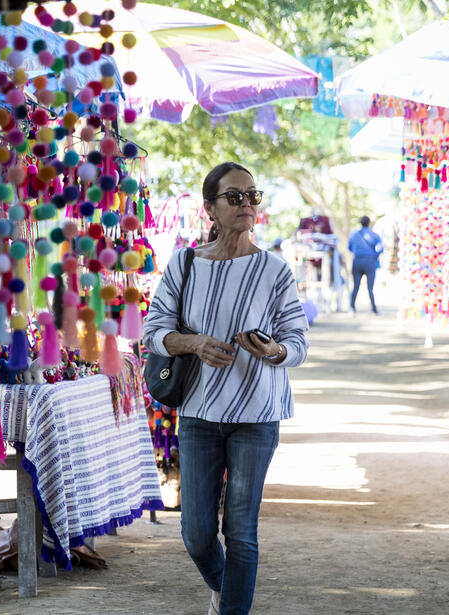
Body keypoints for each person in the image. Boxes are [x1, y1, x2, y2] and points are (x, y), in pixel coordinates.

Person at [143, 162, 310, 615]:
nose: (246, 205)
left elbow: (298, 343)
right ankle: (225, 589)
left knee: (240, 529)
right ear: (210, 208)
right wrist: (194, 343)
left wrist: (272, 349)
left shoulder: (275, 270)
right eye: (234, 197)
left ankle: (232, 608)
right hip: (198, 411)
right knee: (196, 532)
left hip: (257, 414)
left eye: (252, 196)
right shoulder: (186, 263)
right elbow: (153, 329)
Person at [347, 215, 384, 314]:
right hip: (370, 262)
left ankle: (352, 308)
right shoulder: (374, 235)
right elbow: (381, 248)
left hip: (357, 261)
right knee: (370, 288)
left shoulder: (354, 234)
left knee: (355, 286)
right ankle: (373, 309)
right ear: (369, 223)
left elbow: (349, 247)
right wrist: (374, 256)